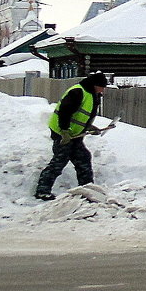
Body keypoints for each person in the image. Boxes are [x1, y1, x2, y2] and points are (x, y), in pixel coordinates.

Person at [34, 71, 109, 201]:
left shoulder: (92, 94)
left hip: (75, 134)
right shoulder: (77, 92)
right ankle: (42, 191)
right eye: (102, 87)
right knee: (60, 160)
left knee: (83, 158)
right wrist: (64, 131)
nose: (103, 90)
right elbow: (65, 112)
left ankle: (87, 189)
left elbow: (82, 115)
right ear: (95, 85)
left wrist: (89, 127)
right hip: (62, 133)